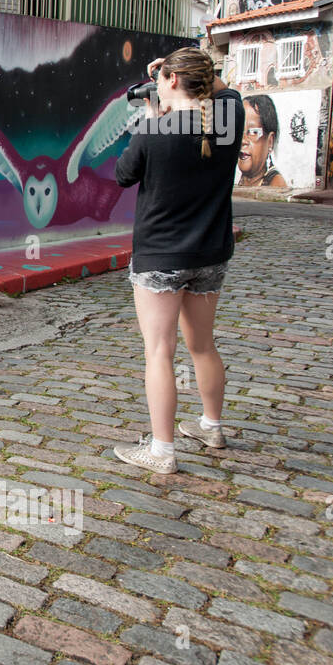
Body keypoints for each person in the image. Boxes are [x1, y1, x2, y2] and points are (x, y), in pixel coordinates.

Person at [112, 48, 244, 474]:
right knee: (202, 345)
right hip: (210, 254)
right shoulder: (226, 122)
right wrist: (181, 69)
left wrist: (153, 116)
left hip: (159, 257)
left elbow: (122, 174)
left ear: (169, 81)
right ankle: (211, 426)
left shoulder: (153, 132)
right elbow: (228, 93)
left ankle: (162, 452)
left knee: (159, 352)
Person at [236, 93, 289, 188]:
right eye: (238, 131)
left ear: (270, 142)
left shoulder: (275, 186)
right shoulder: (242, 181)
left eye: (253, 132)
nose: (243, 141)